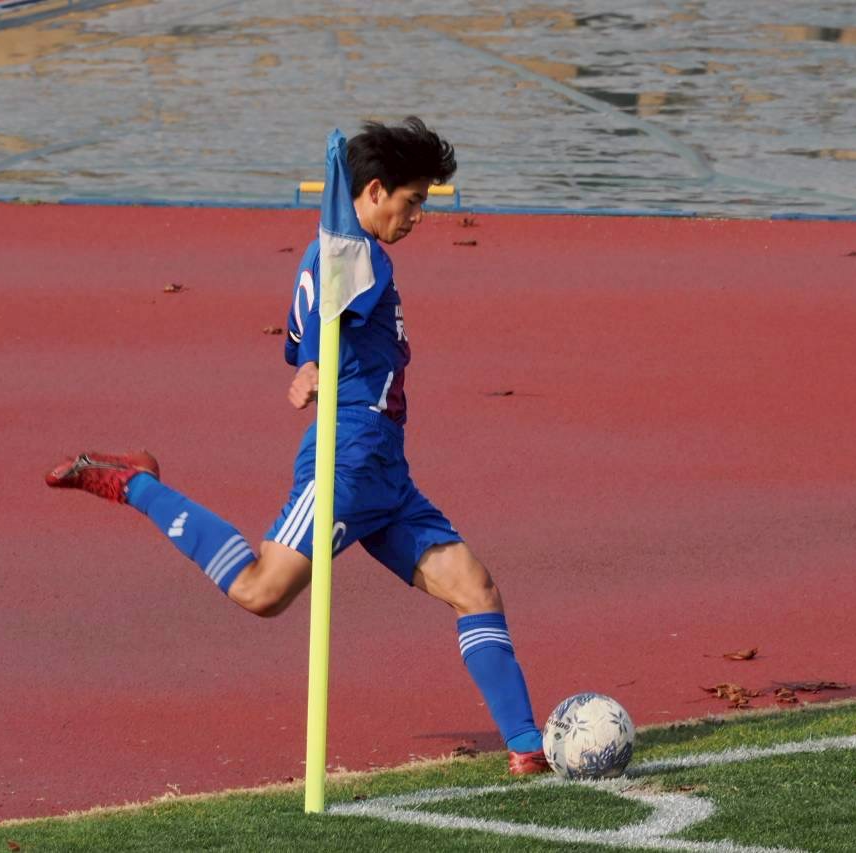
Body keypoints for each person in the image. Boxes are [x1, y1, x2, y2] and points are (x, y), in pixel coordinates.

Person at [46, 117, 549, 775]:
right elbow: (318, 322)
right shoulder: (353, 253)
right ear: (374, 190)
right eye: (413, 200)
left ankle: (527, 747)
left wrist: (311, 360)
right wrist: (311, 364)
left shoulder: (344, 253)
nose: (419, 216)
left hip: (386, 469)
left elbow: (316, 318)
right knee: (261, 591)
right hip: (347, 460)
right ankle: (135, 483)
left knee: (476, 589)